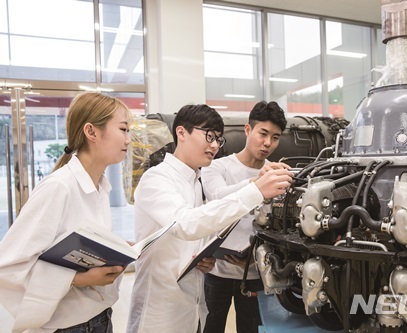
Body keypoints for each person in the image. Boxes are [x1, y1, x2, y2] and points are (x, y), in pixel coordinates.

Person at [126, 104, 293, 333]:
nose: (214, 145)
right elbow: (186, 224)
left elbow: (195, 229)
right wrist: (256, 189)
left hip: (191, 305)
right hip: (160, 311)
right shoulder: (157, 178)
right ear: (181, 133)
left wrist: (201, 257)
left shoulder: (193, 180)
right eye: (209, 137)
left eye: (218, 139)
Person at [0, 92, 131, 333]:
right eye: (123, 129)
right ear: (91, 132)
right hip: (70, 327)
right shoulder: (59, 187)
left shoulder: (100, 186)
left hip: (101, 317)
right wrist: (80, 279)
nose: (128, 139)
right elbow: (7, 267)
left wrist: (117, 249)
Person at [201, 101, 287, 333]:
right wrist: (256, 182)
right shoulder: (216, 167)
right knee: (211, 326)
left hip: (255, 273)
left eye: (276, 137)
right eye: (263, 133)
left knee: (252, 329)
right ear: (248, 130)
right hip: (217, 271)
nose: (268, 143)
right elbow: (218, 198)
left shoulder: (276, 174)